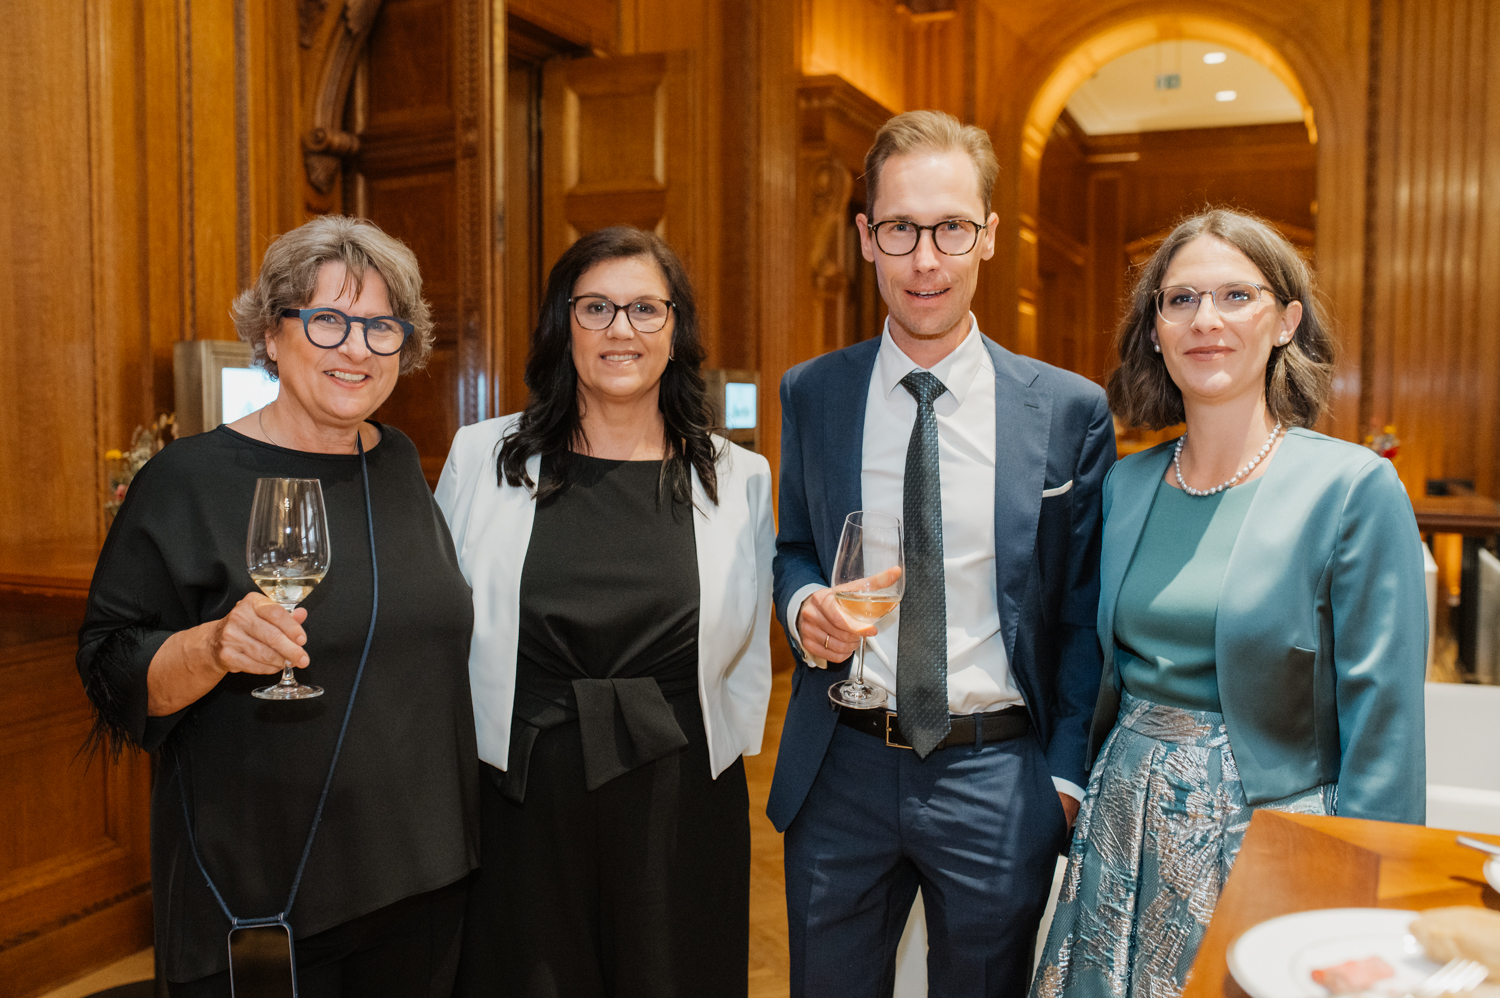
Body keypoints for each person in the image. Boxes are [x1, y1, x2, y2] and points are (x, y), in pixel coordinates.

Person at [76, 215, 478, 996]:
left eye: (381, 327)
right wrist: (212, 646)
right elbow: (110, 670)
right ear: (271, 331)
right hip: (264, 898)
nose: (357, 349)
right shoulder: (186, 481)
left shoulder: (398, 462)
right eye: (327, 320)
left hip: (422, 883)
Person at [1032, 208, 1428, 998]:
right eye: (1180, 300)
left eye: (1236, 296)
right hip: (1120, 830)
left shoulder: (1352, 488)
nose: (1205, 320)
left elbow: (1385, 731)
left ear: (1286, 322)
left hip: (1268, 842)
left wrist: (1362, 903)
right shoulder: (1125, 485)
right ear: (1155, 332)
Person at [769, 109, 1116, 998]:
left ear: (988, 236)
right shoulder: (814, 393)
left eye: (951, 228)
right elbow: (796, 546)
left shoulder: (1068, 412)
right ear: (867, 238)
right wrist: (804, 604)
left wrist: (1063, 781)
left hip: (997, 776)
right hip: (841, 768)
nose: (926, 259)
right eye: (901, 229)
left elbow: (1083, 615)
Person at [436, 225, 774, 997]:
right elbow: (439, 627)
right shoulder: (481, 459)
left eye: (645, 309)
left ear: (675, 329)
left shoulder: (740, 478)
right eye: (596, 308)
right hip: (521, 797)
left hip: (680, 798)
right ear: (564, 325)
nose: (622, 329)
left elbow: (749, 646)